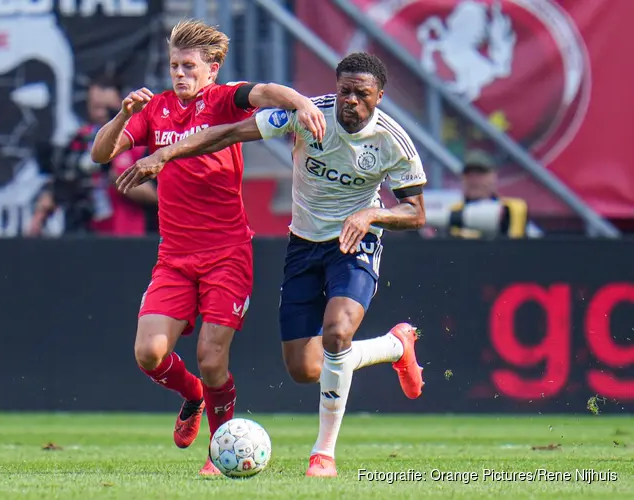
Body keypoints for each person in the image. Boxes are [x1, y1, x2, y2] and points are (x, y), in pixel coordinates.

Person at [118, 52, 427, 478]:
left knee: (337, 332)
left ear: (379, 96)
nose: (351, 101)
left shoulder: (393, 141)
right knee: (306, 368)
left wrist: (372, 214)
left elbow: (416, 212)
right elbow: (229, 133)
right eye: (345, 91)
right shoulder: (308, 116)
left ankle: (323, 453)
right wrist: (165, 154)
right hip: (303, 244)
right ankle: (394, 346)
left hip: (355, 241)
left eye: (362, 94)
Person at [90, 20, 326, 475]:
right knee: (149, 354)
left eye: (189, 66)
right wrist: (122, 115)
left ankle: (218, 454)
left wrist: (300, 103)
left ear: (212, 69)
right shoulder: (154, 109)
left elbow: (266, 92)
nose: (180, 74)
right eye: (174, 66)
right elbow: (101, 153)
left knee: (212, 359)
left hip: (227, 253)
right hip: (174, 257)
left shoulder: (222, 99)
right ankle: (193, 394)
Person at [28, 76, 157, 237]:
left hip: (127, 235)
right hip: (83, 232)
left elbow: (155, 195)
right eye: (96, 107)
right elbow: (61, 180)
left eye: (107, 107)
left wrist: (112, 173)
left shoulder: (139, 141)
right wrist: (41, 213)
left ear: (122, 104)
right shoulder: (81, 139)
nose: (101, 113)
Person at [447, 149, 541, 239]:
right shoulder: (451, 212)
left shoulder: (513, 209)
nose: (474, 180)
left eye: (480, 173)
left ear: (493, 176)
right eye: (468, 174)